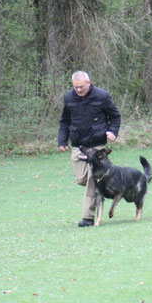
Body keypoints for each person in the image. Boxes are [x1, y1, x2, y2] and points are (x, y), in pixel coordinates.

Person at [58, 71, 121, 227]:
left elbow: (115, 116)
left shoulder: (102, 96)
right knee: (82, 179)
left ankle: (88, 217)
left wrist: (112, 132)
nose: (78, 90)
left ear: (89, 83)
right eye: (75, 87)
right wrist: (62, 140)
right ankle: (108, 184)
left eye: (81, 87)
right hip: (78, 146)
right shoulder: (68, 97)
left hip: (97, 145)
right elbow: (64, 121)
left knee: (93, 178)